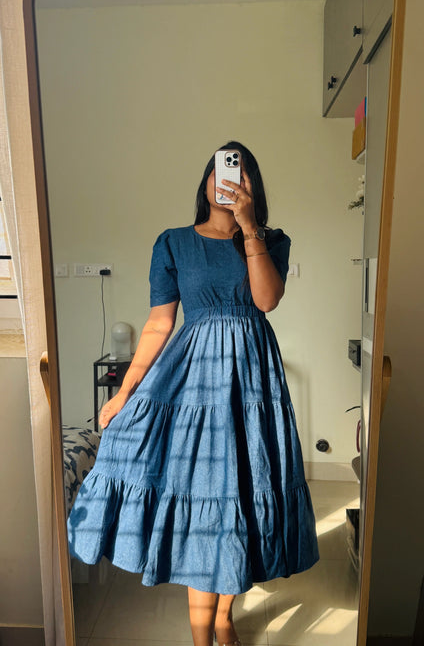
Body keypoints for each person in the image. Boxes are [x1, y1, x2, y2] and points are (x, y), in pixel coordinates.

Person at [67, 141, 319, 646]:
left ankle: (224, 616)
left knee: (243, 493)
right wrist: (125, 392)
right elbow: (159, 324)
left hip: (252, 384)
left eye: (241, 174)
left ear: (252, 188)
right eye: (221, 171)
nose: (229, 181)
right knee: (206, 497)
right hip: (193, 384)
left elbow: (266, 300)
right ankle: (204, 636)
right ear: (206, 181)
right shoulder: (174, 243)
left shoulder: (271, 240)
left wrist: (249, 227)